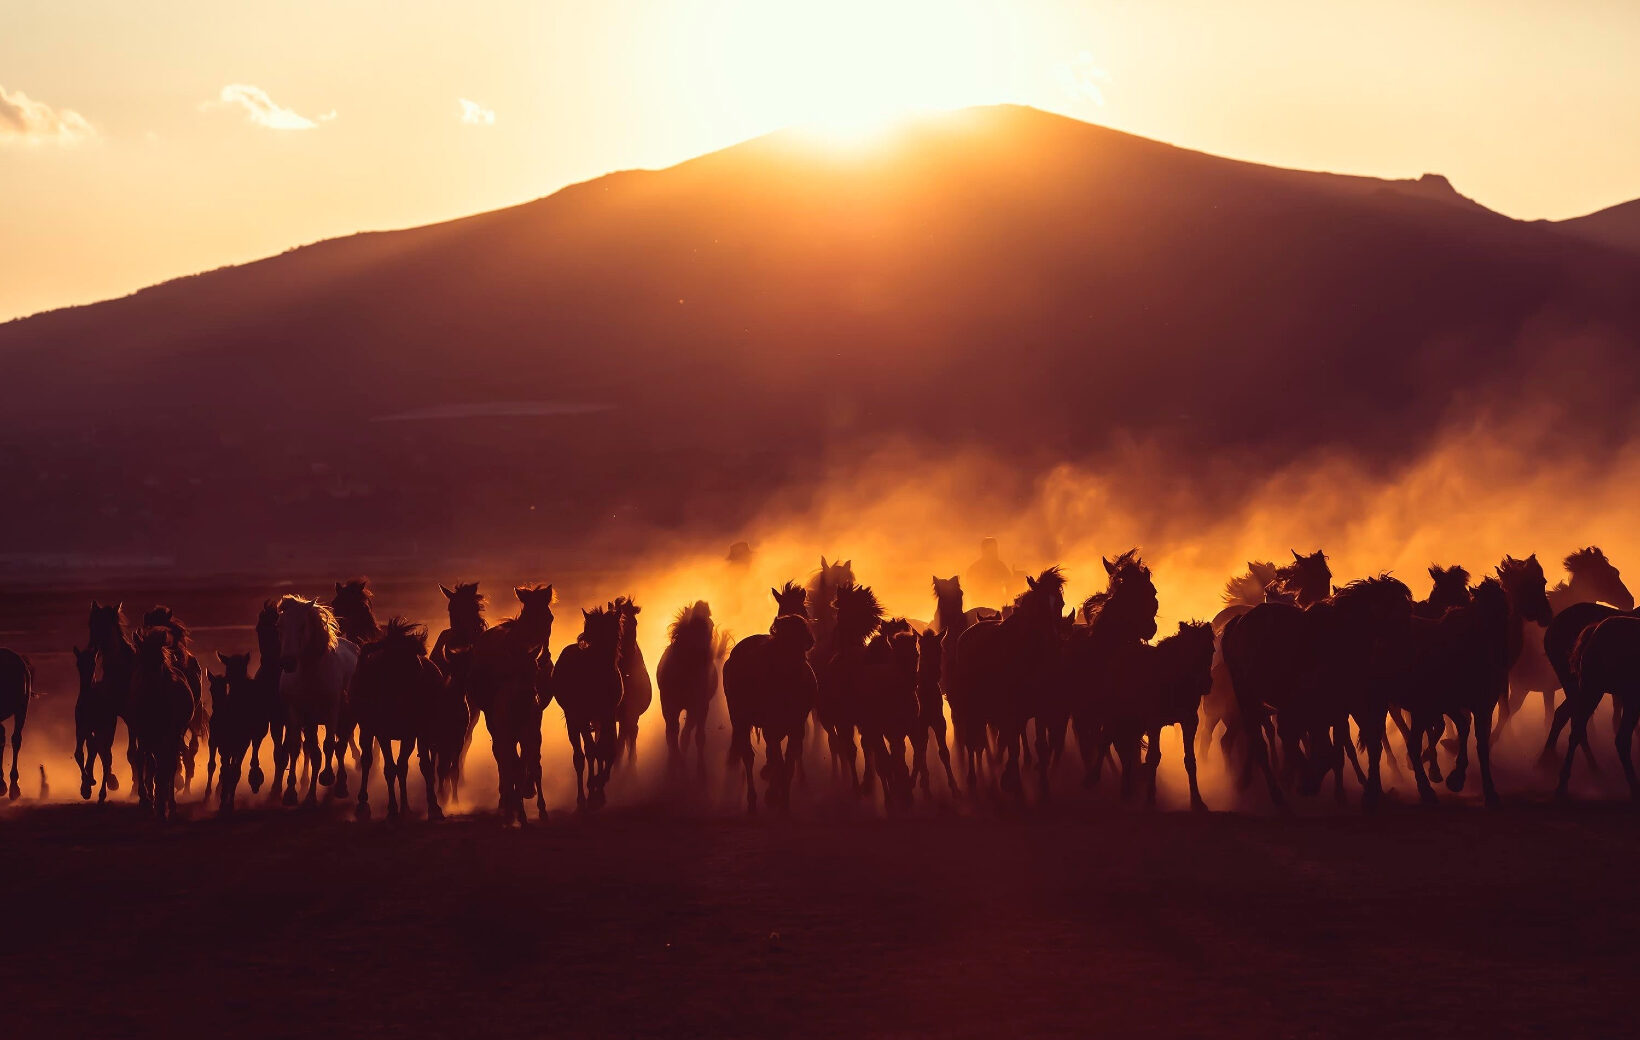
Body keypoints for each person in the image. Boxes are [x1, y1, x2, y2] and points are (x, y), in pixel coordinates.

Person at [964, 538, 1014, 610]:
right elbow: (970, 588)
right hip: (980, 605)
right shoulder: (974, 568)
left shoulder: (1000, 566)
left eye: (994, 549)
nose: (993, 551)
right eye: (990, 549)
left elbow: (1010, 584)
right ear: (983, 550)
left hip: (997, 604)